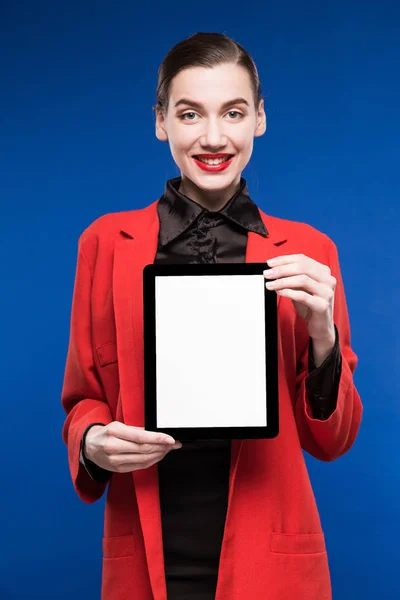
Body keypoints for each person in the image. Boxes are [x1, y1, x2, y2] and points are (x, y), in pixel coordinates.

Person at [61, 32, 363, 600]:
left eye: (233, 112)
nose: (214, 136)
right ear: (161, 122)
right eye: (189, 113)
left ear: (260, 119)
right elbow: (84, 397)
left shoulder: (309, 251)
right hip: (147, 545)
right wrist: (93, 441)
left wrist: (324, 336)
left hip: (269, 556)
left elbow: (333, 440)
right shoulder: (106, 242)